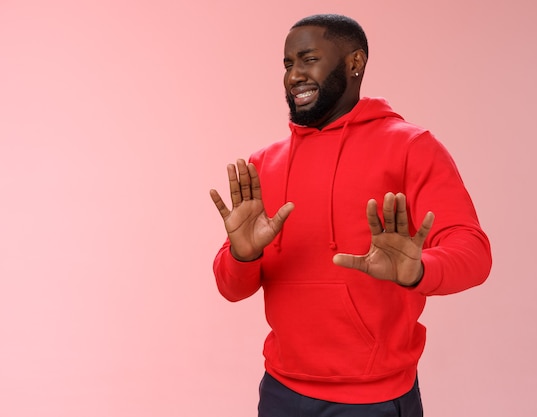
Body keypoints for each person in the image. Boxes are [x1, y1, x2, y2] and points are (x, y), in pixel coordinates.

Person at [209, 14, 491, 417]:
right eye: (288, 64)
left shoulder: (412, 147)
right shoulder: (263, 165)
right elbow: (231, 288)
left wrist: (418, 270)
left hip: (373, 399)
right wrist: (243, 256)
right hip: (280, 391)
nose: (294, 76)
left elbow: (474, 253)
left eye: (308, 60)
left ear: (354, 62)